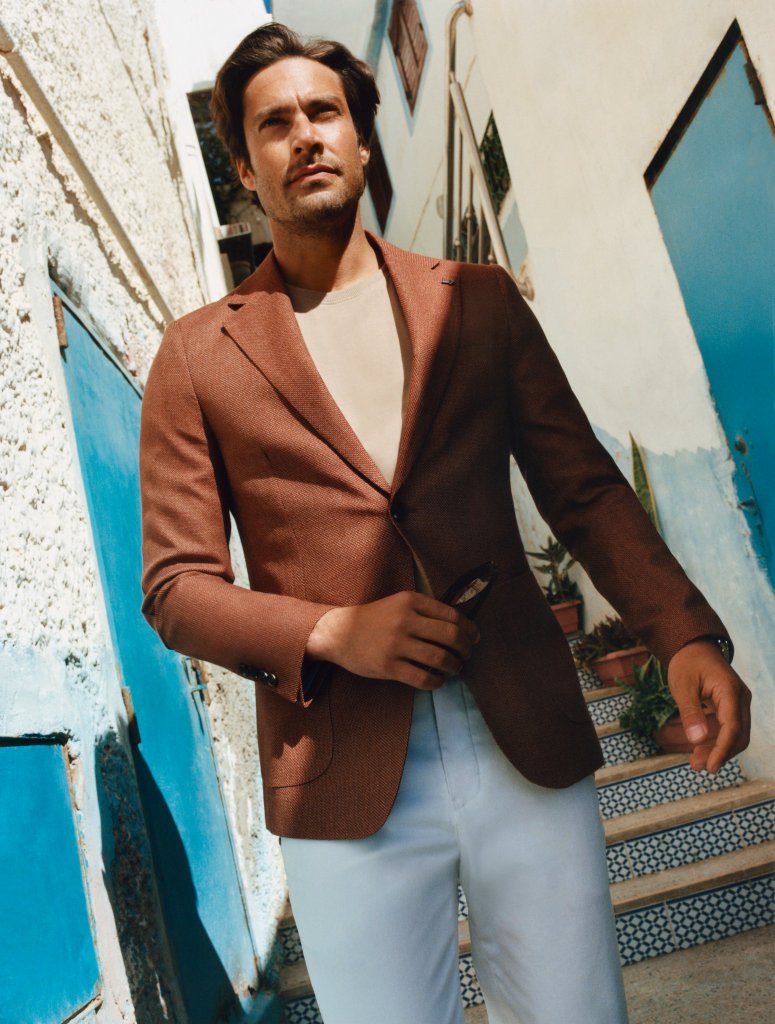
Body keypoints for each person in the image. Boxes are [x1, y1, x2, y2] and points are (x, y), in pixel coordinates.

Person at [139, 23, 751, 1024]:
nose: (306, 135)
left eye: (324, 111)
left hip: (521, 733)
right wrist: (331, 631)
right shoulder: (198, 354)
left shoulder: (477, 301)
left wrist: (680, 633)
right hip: (337, 768)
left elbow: (583, 489)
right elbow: (176, 588)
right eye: (275, 124)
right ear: (243, 168)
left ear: (362, 139)